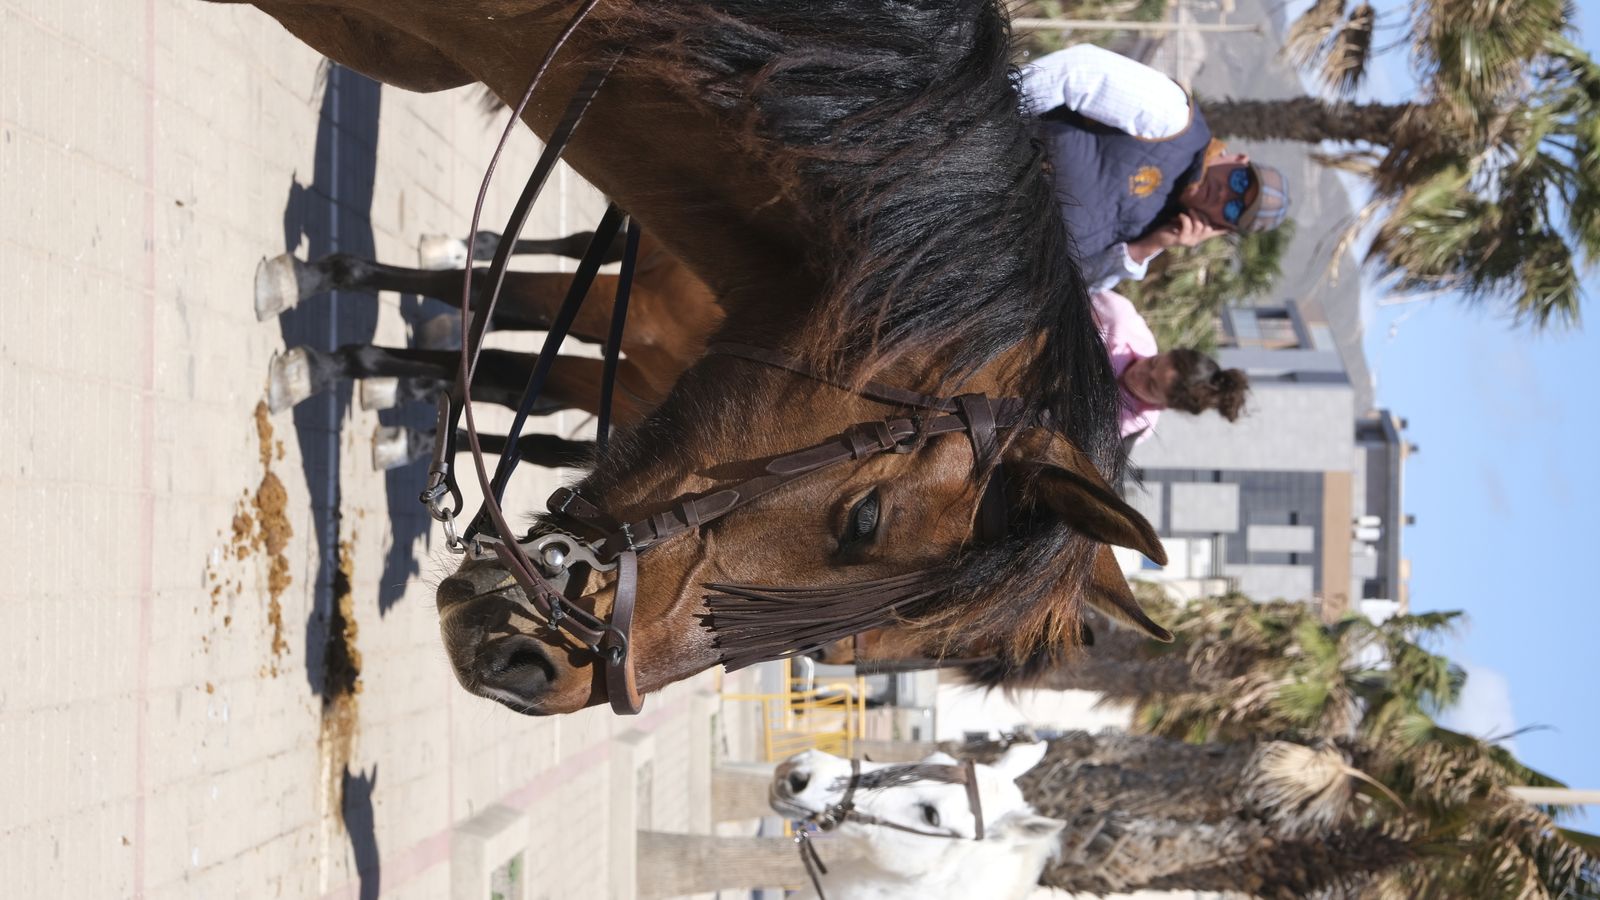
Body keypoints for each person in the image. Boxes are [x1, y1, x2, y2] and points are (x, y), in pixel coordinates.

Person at [1021, 44, 1292, 292]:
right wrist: (992, 119)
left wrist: (1147, 247)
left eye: (1233, 209)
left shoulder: (1155, 234)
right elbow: (1077, 71)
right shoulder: (1174, 120)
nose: (1224, 195)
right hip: (995, 155)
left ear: (1223, 227)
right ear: (1239, 160)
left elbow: (1071, 289)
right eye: (1240, 183)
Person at [1093, 290, 1249, 444]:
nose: (1140, 371)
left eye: (1150, 385)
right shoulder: (1120, 320)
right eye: (1152, 362)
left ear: (1164, 404)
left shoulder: (1130, 427)